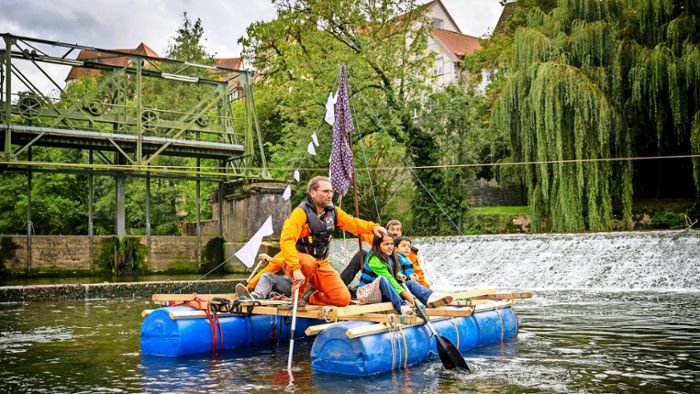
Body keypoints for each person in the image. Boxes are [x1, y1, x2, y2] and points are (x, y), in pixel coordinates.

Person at [280, 176, 388, 307]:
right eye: (325, 191)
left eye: (331, 191)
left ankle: (312, 297)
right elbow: (286, 241)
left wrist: (373, 227)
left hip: (321, 263)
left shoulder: (333, 212)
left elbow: (352, 223)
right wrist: (295, 269)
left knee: (343, 299)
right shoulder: (300, 212)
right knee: (308, 262)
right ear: (313, 193)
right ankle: (298, 296)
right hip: (298, 262)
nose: (330, 194)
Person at [356, 233, 452, 315]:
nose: (390, 247)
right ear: (378, 245)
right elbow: (388, 278)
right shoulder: (374, 259)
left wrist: (398, 274)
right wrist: (406, 294)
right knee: (383, 279)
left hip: (384, 293)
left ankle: (429, 298)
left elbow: (393, 269)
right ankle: (401, 306)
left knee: (410, 283)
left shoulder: (390, 256)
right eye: (386, 244)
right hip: (366, 294)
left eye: (391, 244)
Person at [384, 219, 430, 288]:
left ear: (401, 232)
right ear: (386, 231)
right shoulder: (380, 245)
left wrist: (425, 287)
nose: (395, 232)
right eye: (392, 229)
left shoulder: (409, 251)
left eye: (398, 230)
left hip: (406, 283)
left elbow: (418, 272)